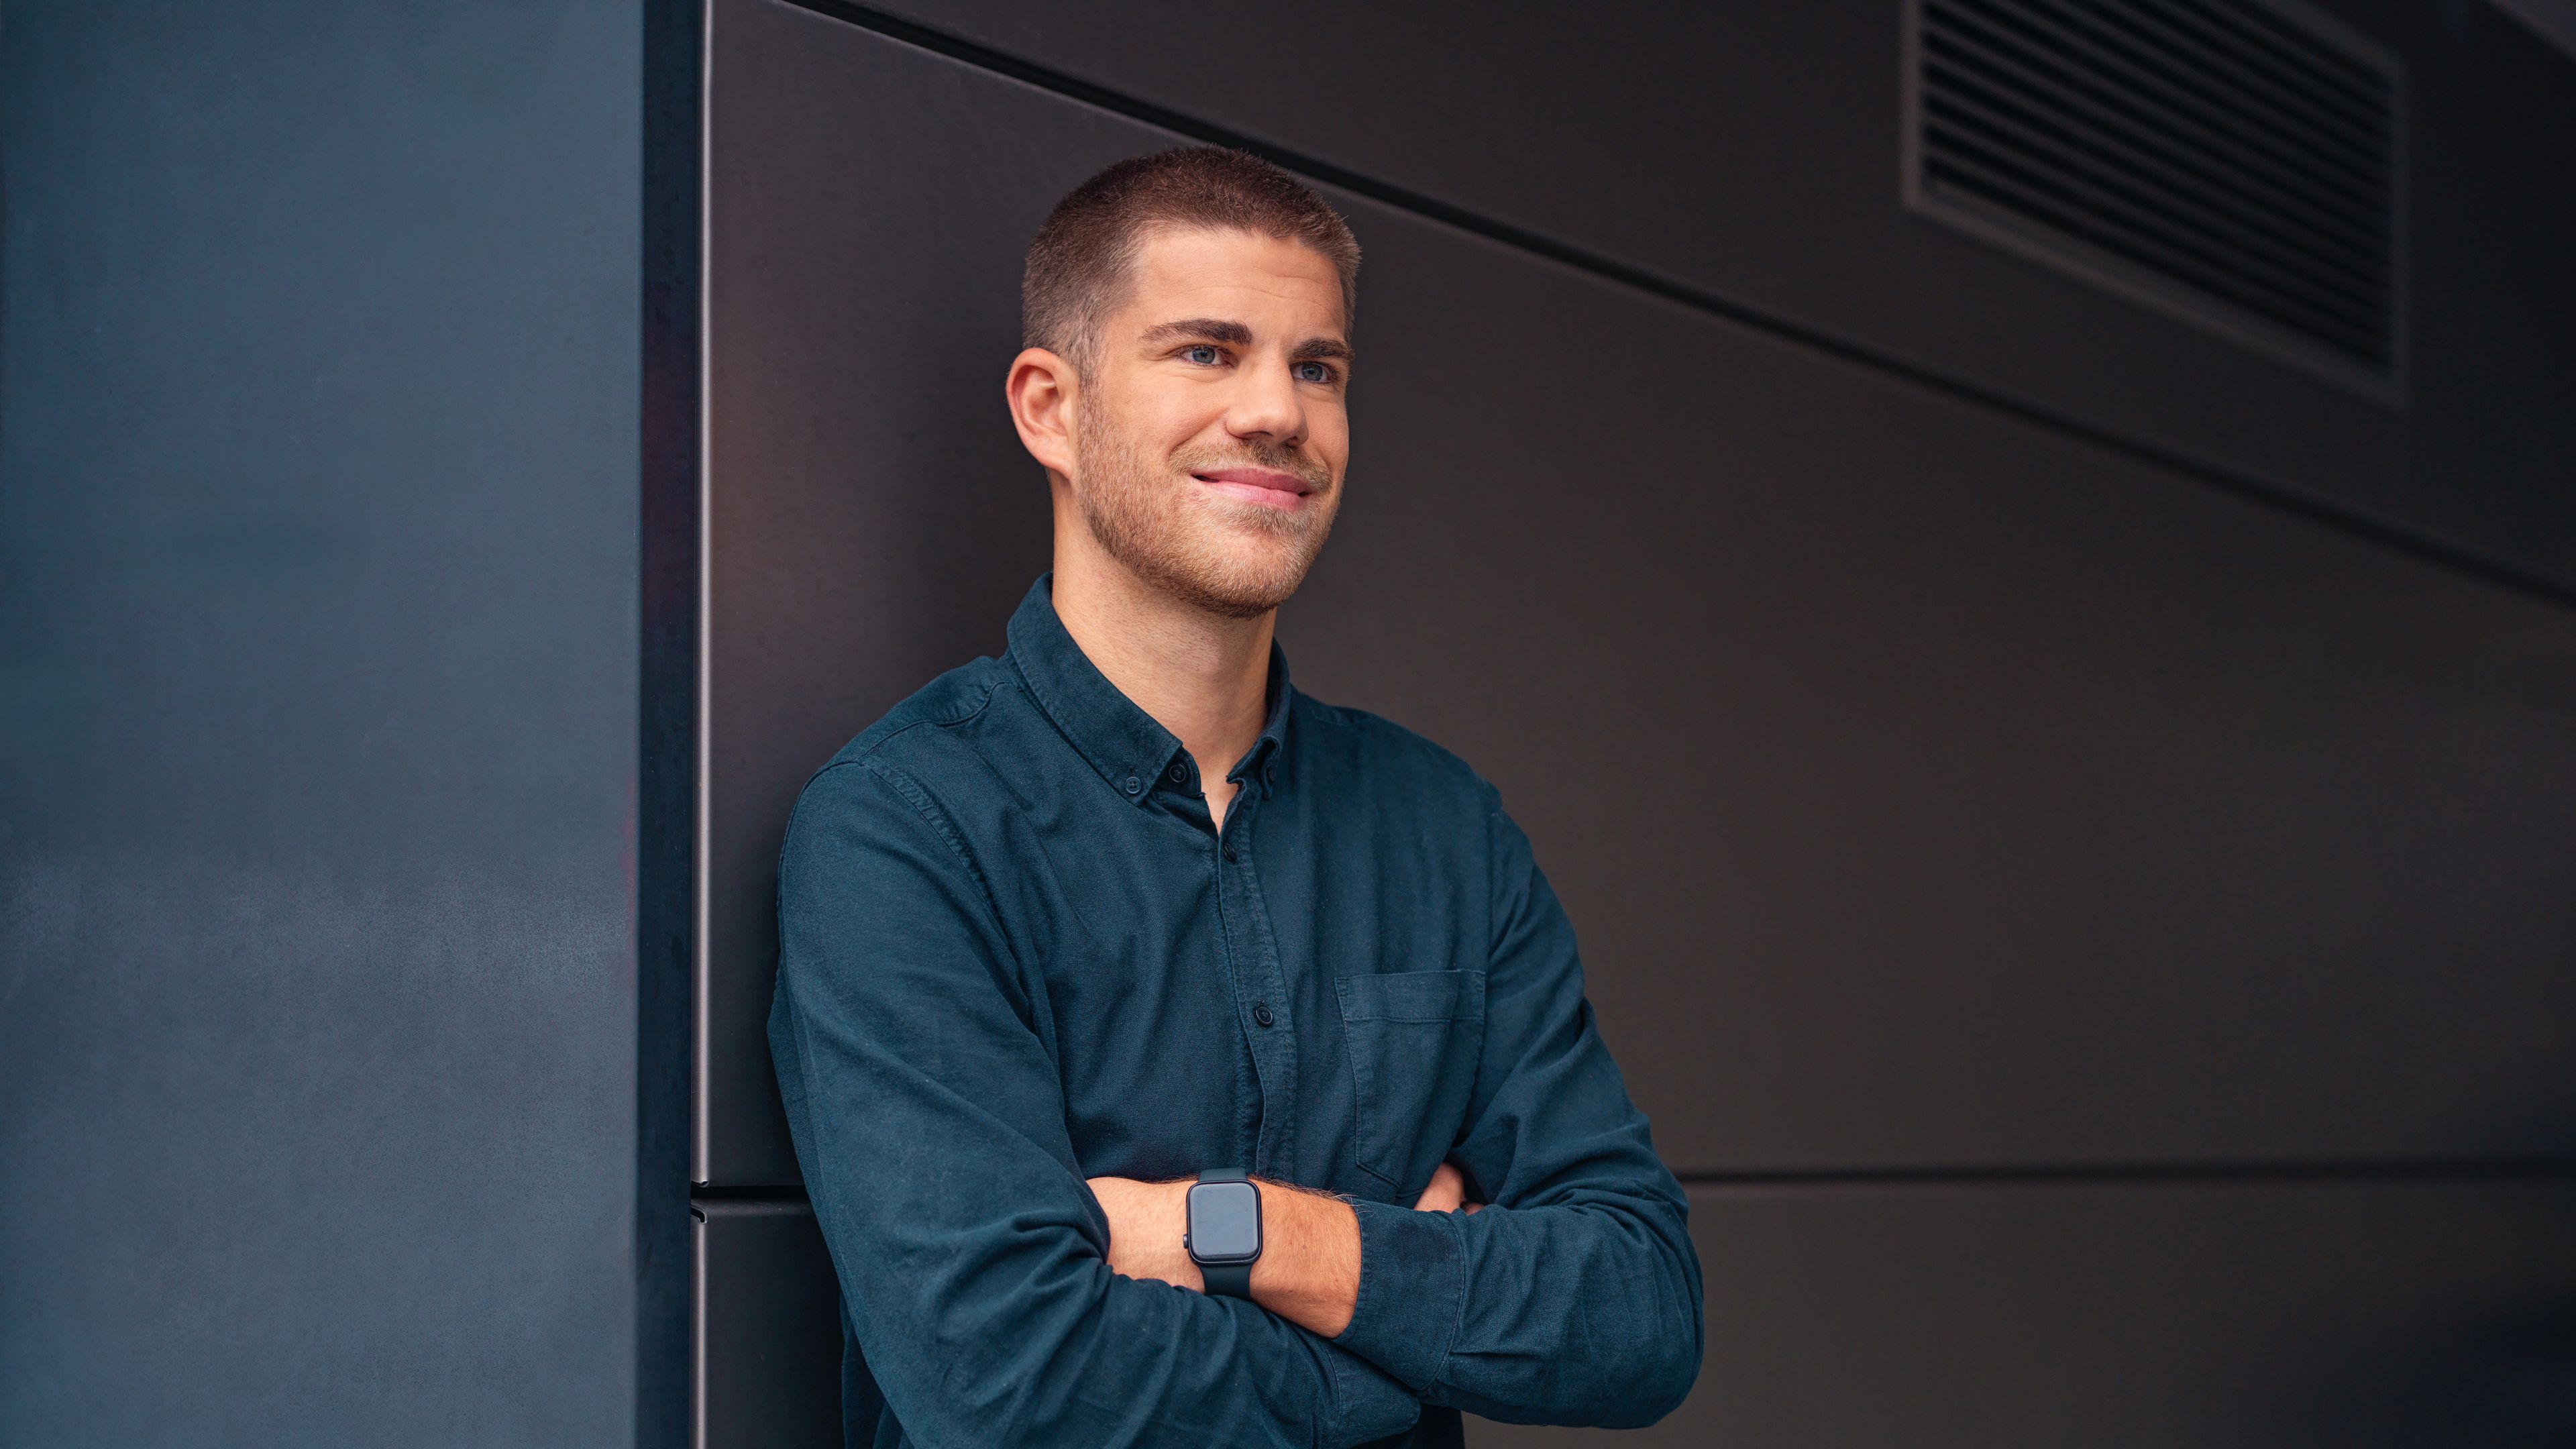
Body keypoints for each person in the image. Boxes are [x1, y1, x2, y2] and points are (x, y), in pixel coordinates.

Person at [769, 146, 1702, 1448]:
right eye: (1208, 352)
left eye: (1317, 366)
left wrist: (1248, 1234)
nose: (1279, 413)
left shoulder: (1444, 830)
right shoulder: (907, 832)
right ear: (1051, 408)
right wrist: (1412, 1338)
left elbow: (1642, 1310)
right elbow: (1012, 1380)